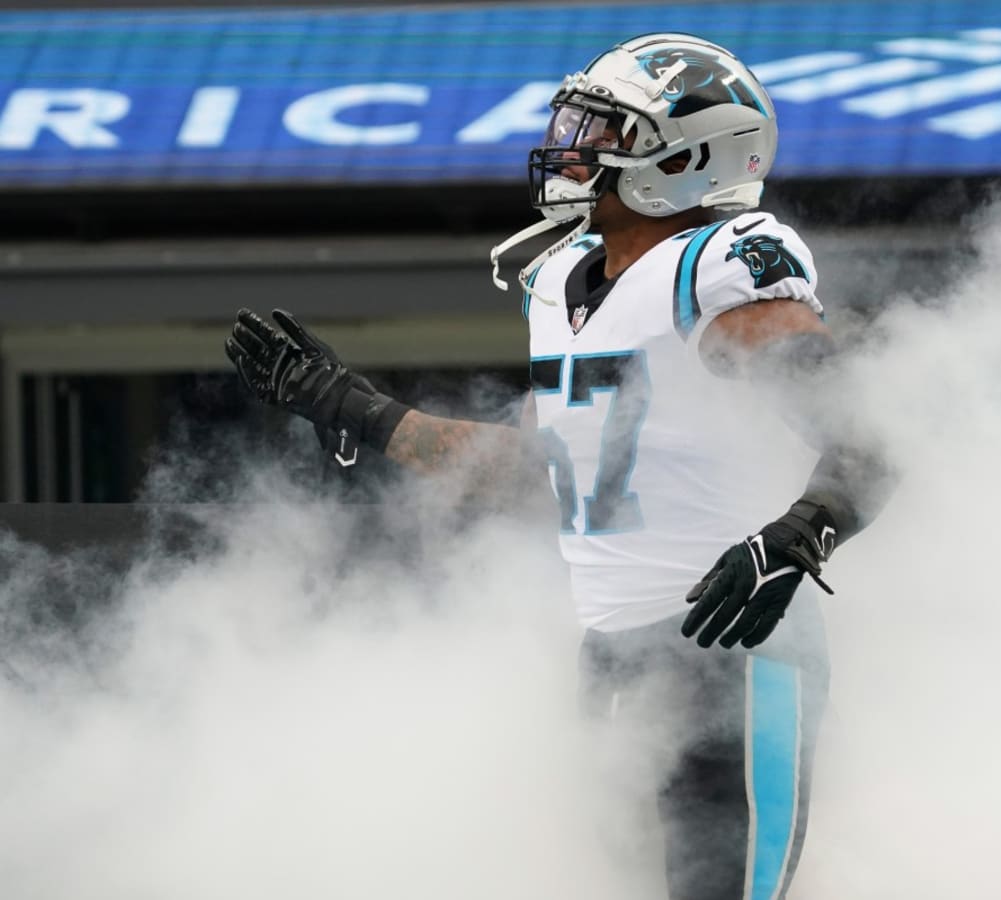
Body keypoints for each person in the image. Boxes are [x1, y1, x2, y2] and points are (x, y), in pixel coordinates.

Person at [226, 32, 892, 899]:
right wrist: (347, 405)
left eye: (601, 129)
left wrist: (799, 532)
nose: (571, 145)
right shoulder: (566, 277)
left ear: (685, 156)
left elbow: (872, 435)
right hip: (612, 658)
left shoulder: (713, 267)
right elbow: (535, 469)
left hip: (732, 654)